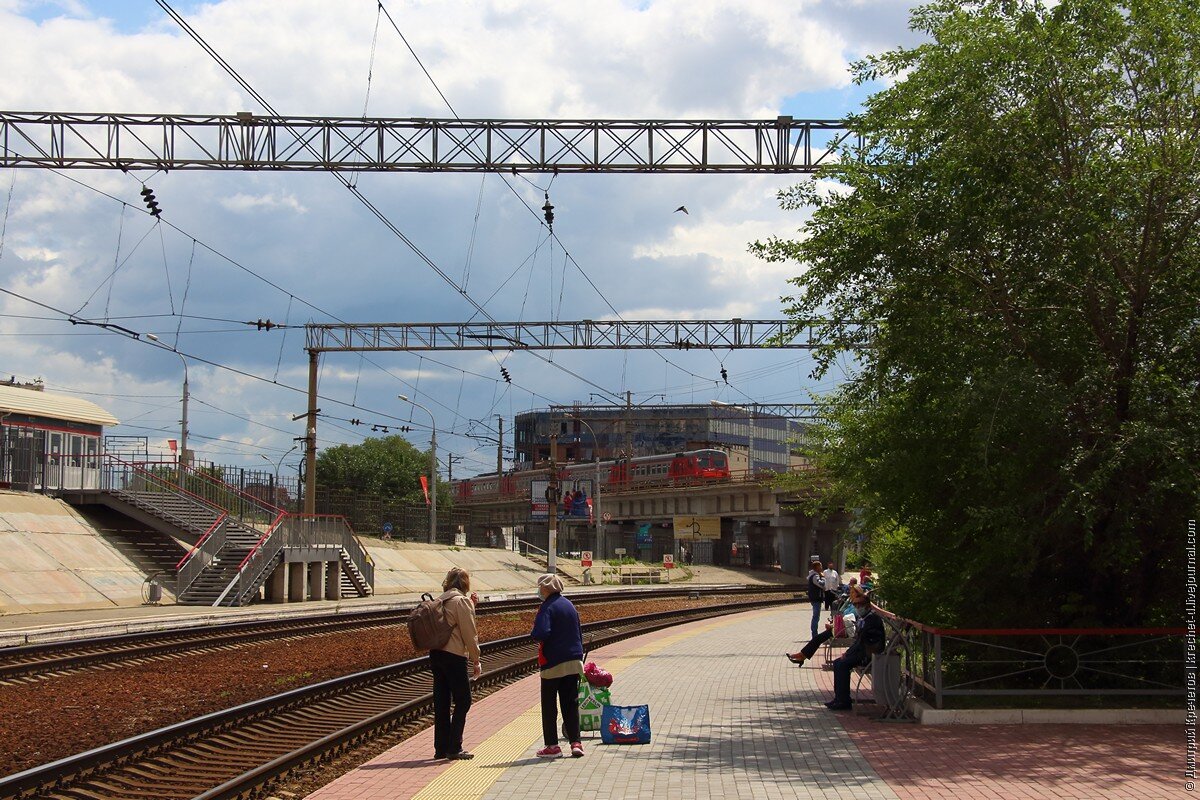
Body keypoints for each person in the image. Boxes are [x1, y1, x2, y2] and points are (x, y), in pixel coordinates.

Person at [531, 573, 586, 759]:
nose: (539, 590)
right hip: (574, 660)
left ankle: (552, 746)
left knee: (549, 705)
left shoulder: (546, 607)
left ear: (545, 589)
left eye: (540, 587)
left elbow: (541, 632)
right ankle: (576, 743)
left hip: (553, 662)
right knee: (570, 703)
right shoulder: (569, 605)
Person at [430, 567, 482, 760]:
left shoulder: (440, 599)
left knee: (442, 702)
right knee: (463, 700)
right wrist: (476, 658)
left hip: (436, 655)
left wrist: (471, 606)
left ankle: (440, 748)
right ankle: (455, 746)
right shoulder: (461, 601)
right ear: (465, 583)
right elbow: (469, 632)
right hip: (454, 656)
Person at [824, 590, 885, 711]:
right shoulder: (864, 618)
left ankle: (843, 701)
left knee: (842, 665)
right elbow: (858, 641)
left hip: (869, 654)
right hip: (863, 652)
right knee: (837, 663)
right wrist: (847, 653)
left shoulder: (872, 619)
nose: (857, 608)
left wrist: (847, 654)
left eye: (859, 605)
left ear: (867, 606)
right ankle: (840, 698)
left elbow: (862, 642)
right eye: (855, 605)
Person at [787, 586, 862, 665]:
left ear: (858, 593)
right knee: (818, 638)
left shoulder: (857, 604)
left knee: (818, 638)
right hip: (842, 627)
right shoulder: (851, 602)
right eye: (851, 592)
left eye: (853, 592)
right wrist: (833, 624)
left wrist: (833, 625)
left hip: (847, 629)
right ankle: (802, 656)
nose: (851, 594)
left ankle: (801, 656)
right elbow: (842, 613)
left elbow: (849, 618)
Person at [805, 560, 826, 638]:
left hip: (815, 598)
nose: (821, 567)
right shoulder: (815, 576)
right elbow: (821, 584)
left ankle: (815, 634)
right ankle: (814, 635)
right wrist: (823, 578)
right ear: (817, 567)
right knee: (816, 616)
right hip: (816, 598)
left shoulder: (814, 575)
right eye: (820, 566)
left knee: (816, 616)